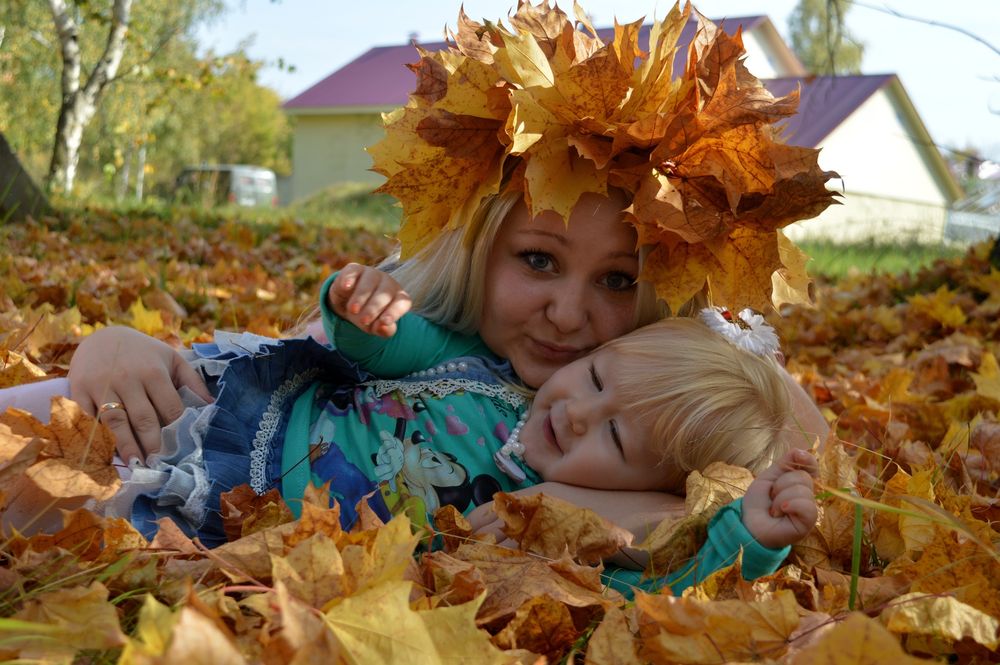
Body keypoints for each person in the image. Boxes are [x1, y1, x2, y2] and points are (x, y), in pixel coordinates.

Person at [7, 2, 837, 537]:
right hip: (178, 416)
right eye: (538, 260)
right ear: (482, 247)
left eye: (619, 281)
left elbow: (782, 438)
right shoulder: (432, 326)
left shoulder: (629, 422)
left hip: (206, 514)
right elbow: (286, 358)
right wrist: (115, 342)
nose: (568, 313)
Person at [2, 270, 818, 597]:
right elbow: (384, 342)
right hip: (231, 413)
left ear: (647, 485)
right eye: (598, 379)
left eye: (617, 439)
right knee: (35, 420)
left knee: (45, 510)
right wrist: (360, 303)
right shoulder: (485, 368)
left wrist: (750, 537)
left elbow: (649, 582)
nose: (576, 412)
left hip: (220, 515)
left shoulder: (545, 522)